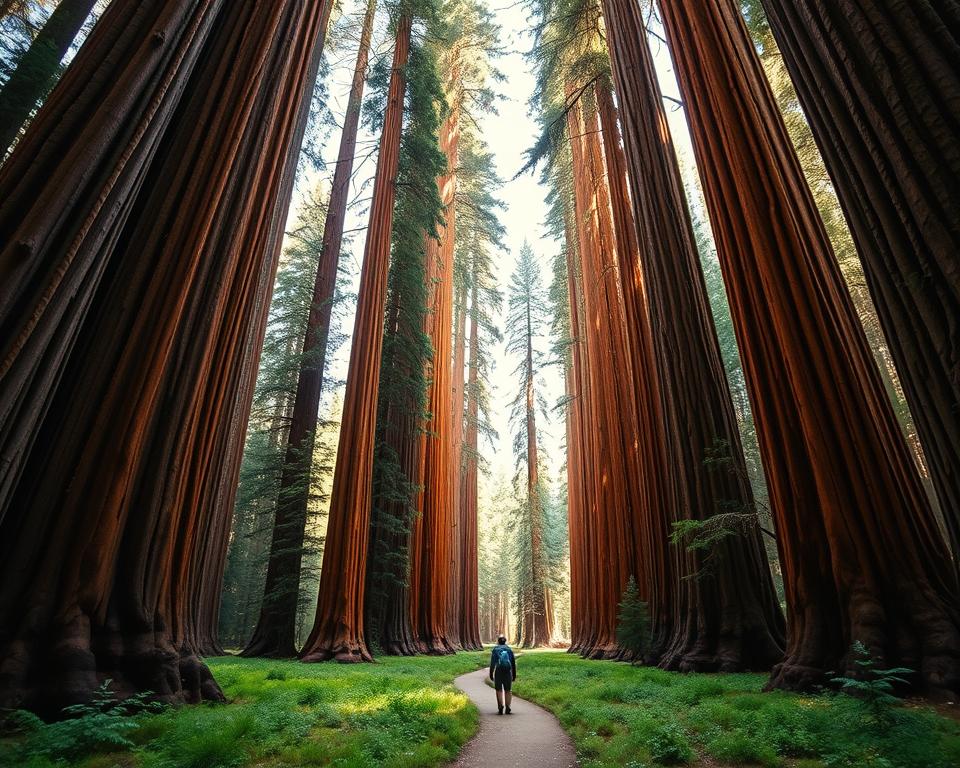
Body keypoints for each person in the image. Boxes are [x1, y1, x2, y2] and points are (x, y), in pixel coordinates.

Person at [489, 634, 517, 715]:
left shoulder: (495, 650)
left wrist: (491, 673)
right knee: (508, 690)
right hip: (507, 672)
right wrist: (514, 675)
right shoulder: (509, 649)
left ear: (498, 641)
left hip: (498, 671)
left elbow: (492, 663)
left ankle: (500, 706)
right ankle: (508, 707)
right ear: (505, 641)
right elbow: (513, 663)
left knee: (499, 690)